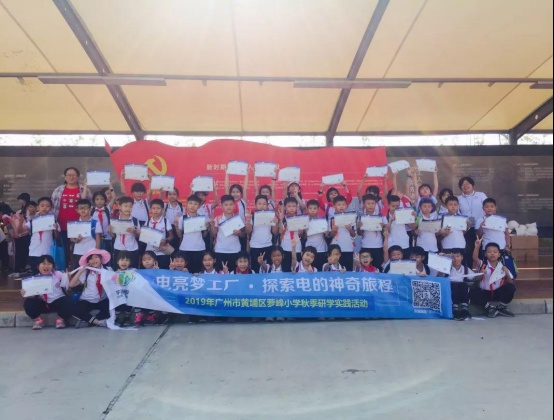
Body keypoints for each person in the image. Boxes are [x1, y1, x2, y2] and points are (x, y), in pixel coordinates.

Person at [20, 255, 73, 330]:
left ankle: (61, 319)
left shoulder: (58, 275)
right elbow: (33, 296)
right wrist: (25, 293)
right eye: (43, 264)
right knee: (28, 303)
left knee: (68, 301)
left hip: (58, 301)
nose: (46, 266)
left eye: (49, 264)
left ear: (53, 266)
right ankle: (38, 320)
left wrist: (68, 279)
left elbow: (67, 287)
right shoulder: (34, 279)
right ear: (38, 266)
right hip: (43, 303)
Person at [51, 167, 92, 265]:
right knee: (64, 251)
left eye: (73, 175)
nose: (71, 177)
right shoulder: (58, 190)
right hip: (62, 225)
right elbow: (52, 206)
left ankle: (79, 268)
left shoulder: (84, 189)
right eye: (69, 175)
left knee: (79, 251)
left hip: (80, 226)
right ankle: (65, 269)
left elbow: (90, 205)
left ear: (78, 177)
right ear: (65, 177)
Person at [471, 238, 516, 318]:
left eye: (495, 252)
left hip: (497, 292)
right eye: (489, 252)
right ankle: (489, 308)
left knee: (511, 288)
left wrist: (507, 273)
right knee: (473, 291)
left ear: (499, 254)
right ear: (485, 254)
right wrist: (477, 246)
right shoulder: (483, 264)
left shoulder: (502, 266)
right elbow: (475, 258)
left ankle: (501, 307)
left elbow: (511, 283)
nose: (492, 254)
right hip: (485, 292)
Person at [70, 249, 112, 328]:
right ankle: (97, 322)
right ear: (88, 261)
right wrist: (80, 271)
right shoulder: (86, 272)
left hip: (102, 300)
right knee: (73, 308)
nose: (94, 260)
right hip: (87, 300)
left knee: (111, 307)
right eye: (91, 258)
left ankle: (88, 321)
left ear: (101, 258)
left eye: (96, 257)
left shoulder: (108, 270)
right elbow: (71, 285)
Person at [18, 197, 59, 274]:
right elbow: (20, 231)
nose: (44, 208)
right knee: (35, 274)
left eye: (47, 206)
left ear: (51, 208)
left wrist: (55, 229)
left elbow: (57, 236)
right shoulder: (33, 221)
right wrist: (20, 222)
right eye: (42, 206)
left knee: (47, 274)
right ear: (38, 207)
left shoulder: (53, 220)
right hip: (34, 251)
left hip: (47, 252)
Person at [175, 195, 211, 275]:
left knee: (198, 273)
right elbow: (179, 235)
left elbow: (204, 235)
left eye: (195, 204)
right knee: (185, 274)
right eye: (190, 203)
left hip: (199, 248)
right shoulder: (182, 218)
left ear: (199, 206)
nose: (192, 206)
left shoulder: (203, 218)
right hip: (185, 248)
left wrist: (207, 228)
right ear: (187, 204)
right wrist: (176, 226)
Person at [457, 176, 487, 265]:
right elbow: (457, 213)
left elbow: (488, 207)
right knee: (468, 252)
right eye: (463, 185)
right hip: (467, 229)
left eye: (467, 183)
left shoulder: (481, 195)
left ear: (472, 185)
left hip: (480, 228)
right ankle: (468, 271)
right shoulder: (459, 199)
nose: (465, 186)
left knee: (481, 252)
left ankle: (482, 271)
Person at [246, 195, 279, 273]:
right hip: (255, 246)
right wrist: (248, 221)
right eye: (259, 204)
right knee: (255, 269)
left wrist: (276, 223)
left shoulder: (271, 216)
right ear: (255, 205)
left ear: (267, 205)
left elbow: (274, 232)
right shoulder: (252, 216)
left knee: (268, 269)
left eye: (264, 204)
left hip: (268, 245)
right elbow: (248, 231)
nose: (262, 206)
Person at [212, 195, 244, 273]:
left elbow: (243, 235)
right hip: (220, 250)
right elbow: (213, 234)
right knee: (220, 274)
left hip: (235, 250)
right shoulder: (218, 218)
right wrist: (212, 225)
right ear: (222, 206)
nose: (228, 207)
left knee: (234, 274)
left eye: (231, 204)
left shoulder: (238, 218)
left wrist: (239, 232)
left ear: (234, 206)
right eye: (226, 205)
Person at [107, 196, 140, 269]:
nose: (128, 208)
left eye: (130, 206)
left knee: (132, 270)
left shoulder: (135, 220)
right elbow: (113, 236)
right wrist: (109, 230)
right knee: (118, 269)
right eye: (125, 206)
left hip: (132, 248)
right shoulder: (115, 220)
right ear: (119, 207)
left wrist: (135, 231)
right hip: (118, 247)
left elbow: (138, 236)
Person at [440, 249, 473, 321]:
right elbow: (438, 278)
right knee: (453, 285)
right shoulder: (446, 269)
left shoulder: (466, 269)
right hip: (450, 294)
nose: (455, 259)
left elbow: (475, 277)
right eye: (453, 257)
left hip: (462, 293)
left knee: (463, 285)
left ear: (462, 257)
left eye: (458, 256)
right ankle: (455, 309)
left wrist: (483, 274)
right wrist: (442, 261)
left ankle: (464, 308)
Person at [141, 199, 174, 269]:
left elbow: (171, 236)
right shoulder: (148, 222)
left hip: (161, 252)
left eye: (158, 208)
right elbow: (143, 236)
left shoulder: (165, 221)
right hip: (149, 252)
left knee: (162, 271)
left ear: (162, 209)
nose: (155, 210)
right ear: (151, 209)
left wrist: (165, 240)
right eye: (153, 208)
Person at [71, 199, 102, 269]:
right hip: (78, 252)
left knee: (91, 272)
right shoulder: (74, 223)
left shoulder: (95, 223)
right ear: (77, 210)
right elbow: (71, 239)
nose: (83, 210)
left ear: (90, 209)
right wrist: (76, 240)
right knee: (78, 272)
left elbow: (98, 239)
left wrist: (96, 253)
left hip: (91, 253)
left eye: (85, 208)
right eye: (81, 208)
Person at [357, 194, 385, 269]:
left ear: (375, 204)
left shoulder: (380, 216)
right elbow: (359, 233)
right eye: (368, 203)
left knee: (378, 268)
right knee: (365, 269)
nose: (370, 205)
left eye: (372, 203)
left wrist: (383, 227)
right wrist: (359, 227)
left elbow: (384, 232)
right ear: (364, 204)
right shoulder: (361, 217)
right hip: (365, 245)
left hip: (378, 245)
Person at [329, 196, 356, 271]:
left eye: (343, 205)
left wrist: (350, 229)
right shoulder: (332, 219)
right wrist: (334, 231)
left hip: (348, 248)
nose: (341, 207)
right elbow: (329, 235)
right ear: (334, 206)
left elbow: (354, 234)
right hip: (335, 249)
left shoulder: (351, 218)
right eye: (339, 205)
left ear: (346, 206)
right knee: (335, 271)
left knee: (348, 271)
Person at [439, 196, 470, 262]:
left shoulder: (462, 218)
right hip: (447, 245)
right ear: (446, 206)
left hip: (460, 244)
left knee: (460, 264)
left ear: (458, 206)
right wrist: (444, 233)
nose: (453, 207)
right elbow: (440, 234)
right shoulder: (442, 218)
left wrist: (467, 226)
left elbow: (463, 232)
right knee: (448, 264)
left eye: (455, 205)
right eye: (450, 205)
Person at [278, 197, 304, 273]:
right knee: (286, 268)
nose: (291, 208)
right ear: (285, 207)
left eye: (293, 206)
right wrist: (280, 220)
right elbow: (280, 231)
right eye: (289, 206)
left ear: (297, 207)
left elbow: (301, 234)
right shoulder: (283, 218)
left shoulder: (300, 218)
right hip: (285, 246)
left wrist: (301, 231)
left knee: (297, 268)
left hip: (297, 246)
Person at [304, 199, 330, 271]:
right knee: (308, 270)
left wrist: (327, 233)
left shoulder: (323, 221)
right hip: (309, 249)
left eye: (314, 208)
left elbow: (327, 235)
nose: (312, 210)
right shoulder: (305, 221)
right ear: (307, 209)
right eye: (310, 208)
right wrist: (304, 230)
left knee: (320, 270)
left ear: (318, 209)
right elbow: (304, 237)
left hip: (321, 249)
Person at [10, 200, 35, 275]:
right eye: (29, 207)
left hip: (33, 238)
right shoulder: (21, 215)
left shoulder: (38, 216)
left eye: (33, 207)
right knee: (21, 252)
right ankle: (21, 268)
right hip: (24, 236)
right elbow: (19, 229)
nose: (31, 208)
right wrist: (21, 222)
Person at [91, 191, 113, 256]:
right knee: (97, 255)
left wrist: (111, 187)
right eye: (97, 199)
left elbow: (113, 197)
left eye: (102, 199)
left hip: (107, 237)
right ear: (94, 201)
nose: (99, 201)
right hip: (95, 238)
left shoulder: (108, 209)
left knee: (107, 255)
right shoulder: (91, 210)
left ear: (105, 201)